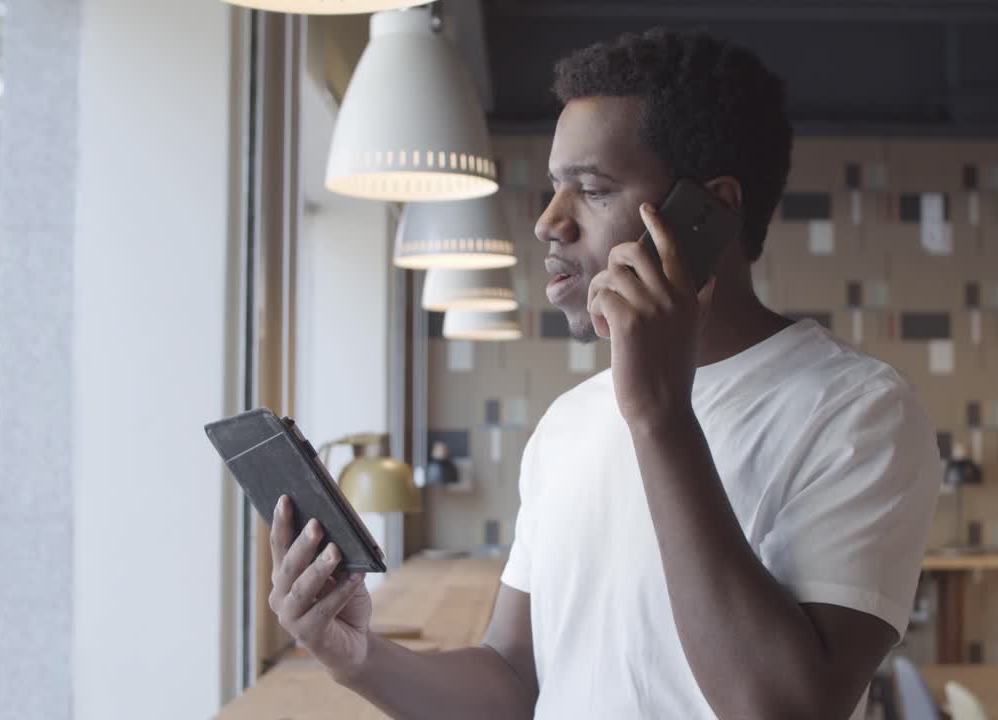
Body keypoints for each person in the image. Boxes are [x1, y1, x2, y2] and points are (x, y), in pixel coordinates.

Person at [266, 28, 940, 720]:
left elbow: (782, 709)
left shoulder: (859, 412)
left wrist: (661, 417)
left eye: (591, 190)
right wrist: (360, 659)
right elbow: (513, 678)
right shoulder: (568, 423)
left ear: (711, 211)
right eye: (556, 188)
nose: (549, 223)